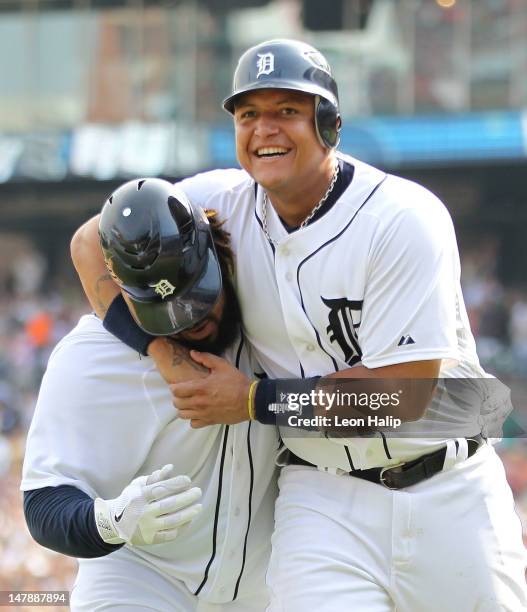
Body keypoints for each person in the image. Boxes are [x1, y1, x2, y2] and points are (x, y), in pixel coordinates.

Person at [71, 40, 527, 611]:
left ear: (329, 124)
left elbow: (403, 394)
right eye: (248, 114)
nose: (265, 129)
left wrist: (255, 400)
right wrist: (167, 358)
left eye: (287, 110)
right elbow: (92, 243)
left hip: (449, 486)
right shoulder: (219, 198)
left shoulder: (402, 217)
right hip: (322, 493)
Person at [22, 178, 279, 611]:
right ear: (123, 294)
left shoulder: (270, 305)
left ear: (216, 253)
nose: (191, 320)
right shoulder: (92, 357)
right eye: (167, 311)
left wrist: (256, 399)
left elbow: (416, 408)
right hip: (139, 575)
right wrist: (108, 521)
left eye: (199, 296)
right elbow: (43, 502)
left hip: (266, 587)